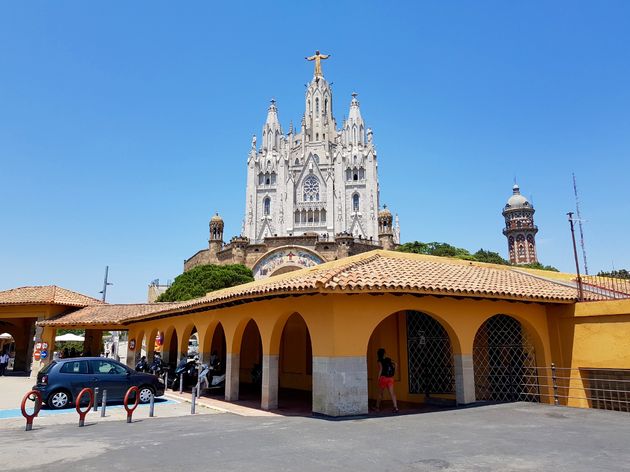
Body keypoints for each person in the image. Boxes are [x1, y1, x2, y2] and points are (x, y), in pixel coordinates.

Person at [376, 347, 398, 413]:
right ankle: (395, 407)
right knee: (392, 393)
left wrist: (378, 378)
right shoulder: (388, 359)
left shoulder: (379, 360)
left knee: (380, 393)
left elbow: (381, 369)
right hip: (390, 378)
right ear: (384, 353)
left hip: (383, 378)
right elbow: (396, 364)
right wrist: (394, 373)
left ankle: (377, 407)